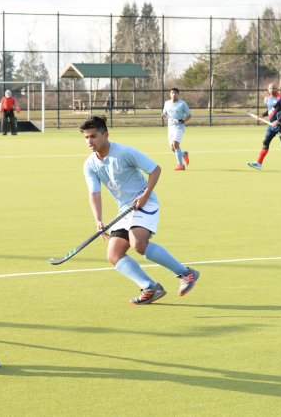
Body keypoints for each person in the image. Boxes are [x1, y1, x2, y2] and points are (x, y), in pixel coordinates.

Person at [79, 115, 200, 305]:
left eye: (93, 136)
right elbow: (95, 193)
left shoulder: (125, 152)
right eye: (86, 137)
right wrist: (98, 220)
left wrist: (145, 195)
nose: (89, 141)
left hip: (145, 202)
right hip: (125, 210)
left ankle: (186, 273)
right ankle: (150, 287)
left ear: (106, 135)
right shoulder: (89, 164)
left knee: (138, 243)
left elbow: (155, 169)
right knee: (114, 254)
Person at [246, 82, 281, 171]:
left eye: (273, 88)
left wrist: (278, 121)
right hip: (271, 126)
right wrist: (262, 115)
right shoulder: (269, 99)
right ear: (268, 90)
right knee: (265, 142)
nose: (271, 90)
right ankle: (258, 163)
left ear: (276, 89)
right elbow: (270, 110)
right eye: (270, 88)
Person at [161, 87, 192, 171]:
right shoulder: (167, 103)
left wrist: (183, 120)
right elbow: (164, 113)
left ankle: (181, 165)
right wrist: (163, 115)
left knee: (175, 144)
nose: (174, 94)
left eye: (175, 93)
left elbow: (189, 115)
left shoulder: (182, 103)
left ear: (178, 94)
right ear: (170, 94)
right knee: (173, 148)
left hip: (179, 127)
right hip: (170, 127)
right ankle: (184, 154)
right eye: (172, 92)